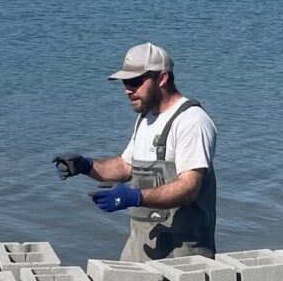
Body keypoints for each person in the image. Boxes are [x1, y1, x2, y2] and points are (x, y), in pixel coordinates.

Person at [52, 42, 218, 261]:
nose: (128, 90)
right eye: (125, 82)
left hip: (185, 252)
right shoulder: (146, 118)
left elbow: (189, 188)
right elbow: (125, 167)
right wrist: (85, 165)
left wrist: (136, 197)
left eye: (135, 81)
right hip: (141, 245)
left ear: (162, 78)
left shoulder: (191, 121)